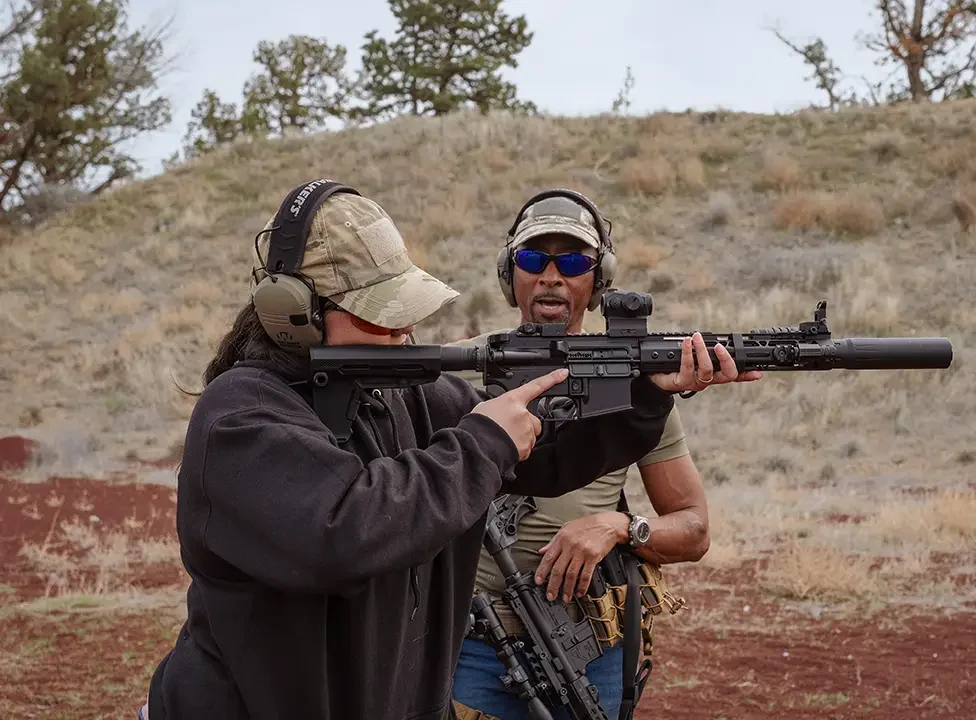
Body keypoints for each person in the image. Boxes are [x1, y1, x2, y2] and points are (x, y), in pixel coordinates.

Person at [141, 180, 756, 720]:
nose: (403, 334)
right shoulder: (240, 417)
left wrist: (645, 396)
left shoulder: (402, 396)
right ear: (294, 315)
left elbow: (546, 461)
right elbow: (346, 532)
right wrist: (484, 441)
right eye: (380, 316)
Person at [450, 189, 758, 720]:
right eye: (533, 258)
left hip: (584, 647)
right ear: (510, 274)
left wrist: (619, 527)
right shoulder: (458, 371)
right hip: (466, 645)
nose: (552, 275)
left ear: (598, 281)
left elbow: (693, 530)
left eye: (572, 261)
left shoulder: (633, 391)